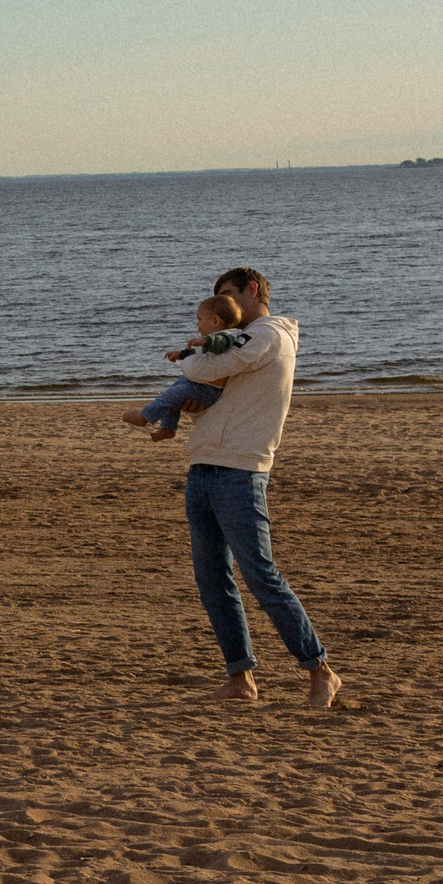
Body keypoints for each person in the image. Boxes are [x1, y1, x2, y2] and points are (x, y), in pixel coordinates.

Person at [176, 267, 343, 708]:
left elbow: (214, 366)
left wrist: (186, 358)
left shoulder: (269, 334)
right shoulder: (237, 340)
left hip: (241, 471)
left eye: (231, 295)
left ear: (253, 291)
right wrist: (195, 407)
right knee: (212, 580)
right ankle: (240, 678)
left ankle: (321, 671)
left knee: (261, 575)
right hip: (204, 464)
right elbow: (222, 393)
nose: (226, 306)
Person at [122, 295, 250, 441]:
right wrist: (180, 354)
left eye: (200, 320)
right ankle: (168, 427)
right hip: (196, 383)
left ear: (215, 321)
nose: (197, 325)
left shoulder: (229, 334)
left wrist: (206, 341)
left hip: (207, 389)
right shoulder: (209, 339)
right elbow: (196, 352)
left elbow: (221, 343)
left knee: (173, 395)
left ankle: (145, 417)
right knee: (171, 395)